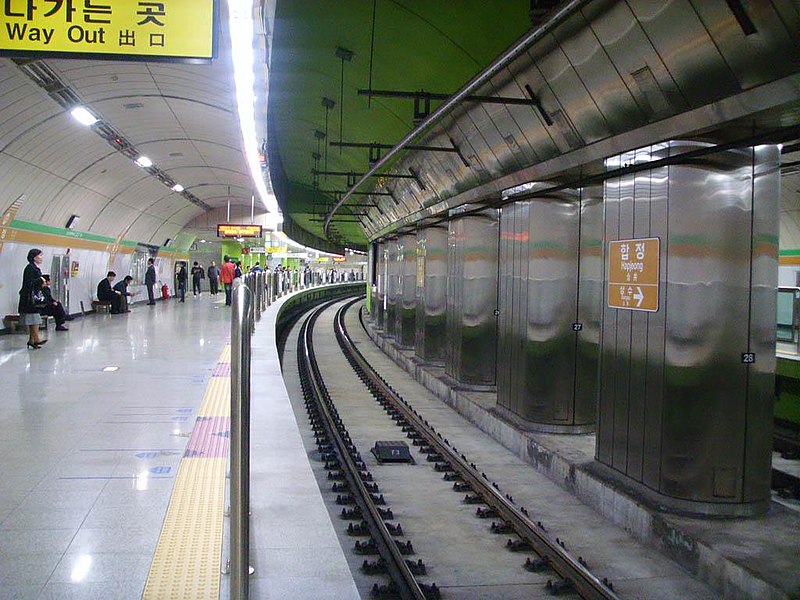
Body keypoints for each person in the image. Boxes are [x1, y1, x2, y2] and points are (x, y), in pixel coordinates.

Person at [18, 248, 47, 349]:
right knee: (34, 319)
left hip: (31, 297)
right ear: (34, 257)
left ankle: (32, 340)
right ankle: (37, 339)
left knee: (33, 319)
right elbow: (29, 283)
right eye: (39, 256)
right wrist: (40, 280)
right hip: (29, 298)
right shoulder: (30, 268)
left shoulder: (34, 268)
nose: (41, 258)